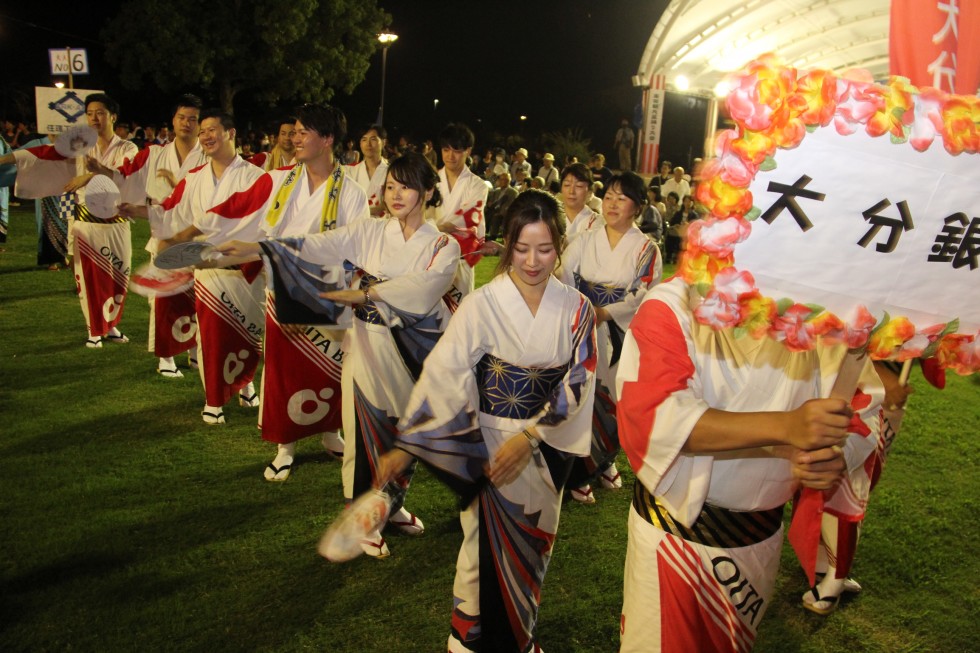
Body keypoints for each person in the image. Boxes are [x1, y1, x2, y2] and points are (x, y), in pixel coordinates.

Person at [378, 189, 597, 653]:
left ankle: (517, 634)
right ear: (507, 244)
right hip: (489, 444)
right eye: (521, 249)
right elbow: (444, 372)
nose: (533, 261)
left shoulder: (578, 308)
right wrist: (408, 445)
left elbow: (579, 380)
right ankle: (465, 634)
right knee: (479, 543)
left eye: (545, 248)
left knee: (535, 543)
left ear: (560, 244)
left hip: (543, 446)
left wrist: (532, 436)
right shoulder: (483, 304)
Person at [616, 276, 884, 652]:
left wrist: (835, 457)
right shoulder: (675, 301)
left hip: (758, 537)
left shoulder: (830, 316)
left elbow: (863, 406)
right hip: (673, 536)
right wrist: (787, 427)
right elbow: (655, 414)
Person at [219, 151, 459, 553]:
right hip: (368, 345)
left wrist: (366, 292)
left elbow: (427, 287)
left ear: (428, 191)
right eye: (391, 187)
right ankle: (363, 518)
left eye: (407, 187)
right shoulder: (369, 230)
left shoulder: (442, 244)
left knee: (403, 432)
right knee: (366, 428)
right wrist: (257, 249)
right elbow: (315, 246)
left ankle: (391, 505)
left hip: (413, 351)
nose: (396, 195)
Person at [195, 104, 368, 473]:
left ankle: (330, 433)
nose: (296, 138)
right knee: (283, 372)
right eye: (296, 131)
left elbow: (353, 249)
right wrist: (191, 234)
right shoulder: (277, 180)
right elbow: (237, 211)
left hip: (327, 294)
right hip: (282, 291)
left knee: (330, 372)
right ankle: (284, 447)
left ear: (327, 140)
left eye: (305, 132)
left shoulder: (351, 192)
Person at [124, 109, 266, 424]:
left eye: (212, 130)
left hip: (244, 269)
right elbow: (170, 208)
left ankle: (245, 385)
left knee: (247, 334)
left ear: (231, 133)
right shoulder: (195, 177)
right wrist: (135, 210)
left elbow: (257, 219)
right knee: (212, 336)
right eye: (202, 132)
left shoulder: (256, 177)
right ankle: (213, 400)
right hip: (208, 270)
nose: (205, 136)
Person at [4, 94, 139, 347]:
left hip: (118, 221)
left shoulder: (128, 148)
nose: (94, 118)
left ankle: (110, 325)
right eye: (89, 113)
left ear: (113, 116)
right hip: (86, 222)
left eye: (99, 112)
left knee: (118, 277)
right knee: (89, 278)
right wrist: (5, 159)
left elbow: (124, 173)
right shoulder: (80, 144)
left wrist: (87, 176)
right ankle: (94, 329)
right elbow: (43, 153)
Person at [560, 172, 661, 504]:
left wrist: (605, 312)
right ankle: (578, 471)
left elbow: (642, 293)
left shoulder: (646, 248)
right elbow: (564, 274)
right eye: (610, 196)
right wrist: (580, 310)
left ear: (639, 207)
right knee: (580, 398)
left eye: (622, 197)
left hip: (619, 335)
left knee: (612, 399)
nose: (613, 203)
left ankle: (603, 461)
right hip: (581, 328)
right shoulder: (586, 240)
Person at [90, 94, 207, 378]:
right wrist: (100, 170)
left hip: (198, 235)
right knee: (163, 297)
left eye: (193, 119)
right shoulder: (155, 154)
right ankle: (166, 356)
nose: (187, 124)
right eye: (182, 118)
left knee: (197, 298)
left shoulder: (209, 155)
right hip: (165, 233)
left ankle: (193, 352)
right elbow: (126, 174)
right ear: (173, 121)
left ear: (200, 124)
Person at [433, 123, 488, 307]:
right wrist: (439, 227)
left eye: (456, 150)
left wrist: (432, 226)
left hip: (461, 256)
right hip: (430, 256)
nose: (450, 155)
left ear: (468, 151)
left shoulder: (478, 185)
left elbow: (467, 220)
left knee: (460, 315)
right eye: (446, 149)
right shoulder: (430, 181)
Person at [344, 124, 388, 217]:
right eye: (364, 139)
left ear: (384, 142)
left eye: (373, 139)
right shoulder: (350, 171)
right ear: (360, 144)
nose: (368, 144)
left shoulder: (391, 172)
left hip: (383, 226)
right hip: (356, 225)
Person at [559, 162, 601, 241]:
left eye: (579, 186)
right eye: (567, 185)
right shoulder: (549, 217)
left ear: (589, 191)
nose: (571, 191)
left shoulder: (597, 222)